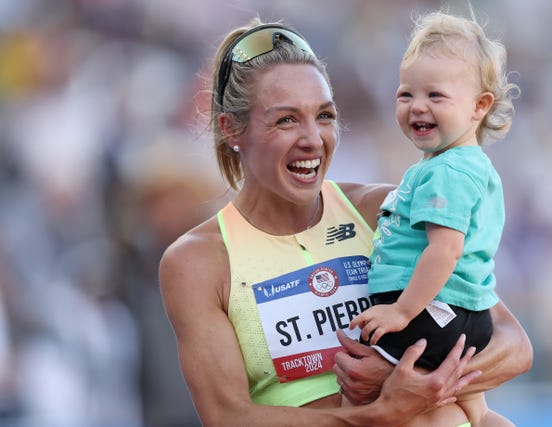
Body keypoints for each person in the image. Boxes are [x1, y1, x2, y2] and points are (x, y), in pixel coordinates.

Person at [158, 17, 532, 427]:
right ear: (232, 129)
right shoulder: (197, 263)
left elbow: (513, 345)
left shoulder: (382, 209)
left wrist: (408, 377)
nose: (313, 140)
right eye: (286, 120)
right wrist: (378, 412)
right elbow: (228, 417)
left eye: (324, 116)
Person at [347, 10, 521, 426]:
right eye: (406, 94)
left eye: (435, 96)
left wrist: (401, 313)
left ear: (480, 106)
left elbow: (445, 250)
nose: (417, 106)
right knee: (474, 413)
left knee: (356, 390)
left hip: (429, 314)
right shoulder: (463, 165)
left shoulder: (447, 172)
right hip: (464, 314)